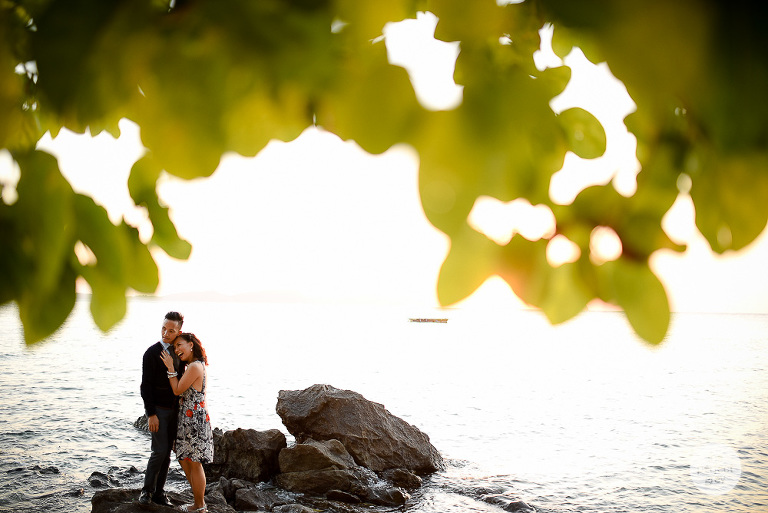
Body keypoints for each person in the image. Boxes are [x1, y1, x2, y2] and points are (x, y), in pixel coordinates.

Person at [161, 332, 213, 513]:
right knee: (184, 458)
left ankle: (200, 505)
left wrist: (170, 367)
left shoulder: (194, 367)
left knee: (194, 462)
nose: (176, 350)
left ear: (191, 345)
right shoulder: (194, 365)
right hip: (189, 417)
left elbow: (177, 390)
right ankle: (198, 502)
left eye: (179, 345)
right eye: (175, 347)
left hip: (193, 419)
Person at [139, 311, 185, 506]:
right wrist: (151, 414)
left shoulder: (180, 352)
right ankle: (146, 492)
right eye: (163, 328)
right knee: (159, 451)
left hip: (176, 411)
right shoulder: (151, 353)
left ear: (179, 332)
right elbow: (145, 386)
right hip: (158, 410)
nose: (166, 333)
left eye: (171, 331)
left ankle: (159, 493)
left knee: (167, 453)